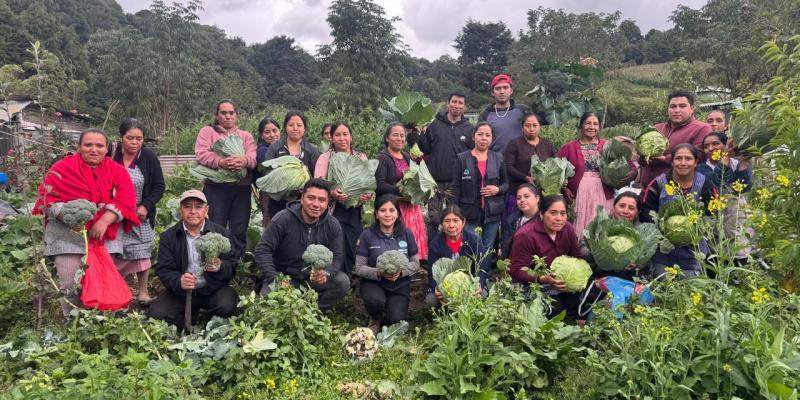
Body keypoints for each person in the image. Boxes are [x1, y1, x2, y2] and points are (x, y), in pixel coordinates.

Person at [34, 128, 139, 316]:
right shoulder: (61, 168)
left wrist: (105, 220)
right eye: (88, 145)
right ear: (79, 147)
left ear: (107, 149)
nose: (94, 149)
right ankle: (73, 325)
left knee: (103, 281)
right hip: (67, 235)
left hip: (104, 235)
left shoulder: (117, 170)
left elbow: (127, 200)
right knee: (70, 284)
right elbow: (46, 199)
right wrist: (68, 217)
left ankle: (101, 324)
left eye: (99, 145)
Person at [253, 179, 349, 310]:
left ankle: (313, 311)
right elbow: (262, 250)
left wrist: (326, 274)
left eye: (321, 200)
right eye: (311, 198)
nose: (316, 204)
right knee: (267, 306)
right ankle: (292, 306)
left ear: (327, 204)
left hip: (312, 280)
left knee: (342, 282)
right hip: (284, 278)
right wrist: (274, 278)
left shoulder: (332, 225)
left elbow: (337, 258)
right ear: (302, 199)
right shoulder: (283, 219)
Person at [149, 190, 238, 329]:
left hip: (212, 290)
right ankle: (190, 316)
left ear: (206, 210)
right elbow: (164, 269)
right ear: (181, 210)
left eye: (198, 207)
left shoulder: (221, 233)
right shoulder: (169, 236)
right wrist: (179, 281)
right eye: (187, 207)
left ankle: (203, 319)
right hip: (181, 293)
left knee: (226, 306)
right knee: (157, 315)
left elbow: (232, 266)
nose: (193, 211)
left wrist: (220, 266)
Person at [110, 118, 165, 306]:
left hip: (139, 215)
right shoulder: (110, 154)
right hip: (112, 214)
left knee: (142, 252)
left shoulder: (148, 157)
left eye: (139, 139)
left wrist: (146, 206)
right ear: (121, 137)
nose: (134, 143)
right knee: (114, 252)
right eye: (130, 138)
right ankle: (117, 291)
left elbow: (159, 186)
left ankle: (142, 291)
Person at [640, 144, 715, 277]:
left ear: (696, 162)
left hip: (694, 253)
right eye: (678, 158)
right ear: (672, 161)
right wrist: (663, 230)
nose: (683, 163)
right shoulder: (659, 183)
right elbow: (646, 210)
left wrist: (698, 227)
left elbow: (713, 213)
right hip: (662, 251)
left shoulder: (705, 185)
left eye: (688, 159)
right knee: (663, 284)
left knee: (690, 286)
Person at [194, 100, 256, 258]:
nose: (228, 116)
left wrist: (244, 161)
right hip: (215, 187)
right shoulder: (208, 132)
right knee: (215, 225)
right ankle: (213, 262)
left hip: (241, 188)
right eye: (223, 113)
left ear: (236, 115)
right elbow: (201, 154)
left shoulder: (245, 136)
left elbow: (253, 156)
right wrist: (221, 162)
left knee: (239, 228)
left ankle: (237, 263)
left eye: (231, 113)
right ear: (217, 115)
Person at [559, 112, 636, 236]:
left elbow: (630, 164)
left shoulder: (608, 146)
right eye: (588, 123)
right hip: (578, 194)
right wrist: (565, 188)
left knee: (601, 225)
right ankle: (578, 252)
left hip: (603, 192)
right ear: (581, 126)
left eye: (595, 124)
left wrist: (631, 174)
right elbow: (559, 171)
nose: (592, 127)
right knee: (577, 225)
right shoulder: (569, 148)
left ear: (599, 127)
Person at [508, 195, 583, 319]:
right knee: (555, 310)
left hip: (560, 283)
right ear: (542, 214)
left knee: (587, 292)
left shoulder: (567, 228)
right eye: (553, 213)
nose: (559, 218)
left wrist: (574, 276)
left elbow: (576, 256)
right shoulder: (526, 235)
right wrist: (543, 278)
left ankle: (569, 312)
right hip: (531, 285)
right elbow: (516, 270)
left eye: (563, 213)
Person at [354, 195, 420, 333]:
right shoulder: (367, 235)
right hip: (374, 283)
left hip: (400, 285)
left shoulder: (406, 234)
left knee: (396, 321)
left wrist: (401, 272)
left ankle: (390, 312)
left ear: (397, 214)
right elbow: (359, 268)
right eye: (383, 210)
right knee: (375, 302)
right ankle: (375, 316)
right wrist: (379, 272)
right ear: (376, 214)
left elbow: (415, 263)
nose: (387, 214)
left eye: (392, 210)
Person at [314, 121, 372, 276]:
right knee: (335, 243)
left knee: (352, 243)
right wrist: (332, 191)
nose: (342, 138)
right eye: (337, 135)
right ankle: (333, 276)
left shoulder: (361, 157)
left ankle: (347, 277)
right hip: (334, 209)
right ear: (331, 138)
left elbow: (368, 182)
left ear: (351, 136)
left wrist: (367, 194)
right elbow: (318, 182)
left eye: (345, 134)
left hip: (355, 209)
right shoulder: (325, 158)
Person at [451, 122, 509, 274]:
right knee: (471, 246)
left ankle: (483, 279)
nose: (484, 138)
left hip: (492, 213)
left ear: (492, 138)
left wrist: (498, 189)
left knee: (488, 247)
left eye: (488, 135)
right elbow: (456, 187)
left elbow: (506, 183)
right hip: (469, 212)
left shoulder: (498, 158)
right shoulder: (462, 158)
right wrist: (454, 212)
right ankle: (469, 276)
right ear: (473, 136)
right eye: (480, 134)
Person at [417, 92, 474, 239]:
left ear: (465, 107)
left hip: (457, 183)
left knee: (453, 219)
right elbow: (426, 149)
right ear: (448, 104)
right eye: (454, 102)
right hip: (435, 181)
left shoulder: (469, 129)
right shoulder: (435, 125)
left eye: (460, 103)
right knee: (434, 219)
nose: (457, 105)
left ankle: (454, 252)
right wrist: (417, 135)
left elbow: (472, 155)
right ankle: (433, 252)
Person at [375, 123, 428, 260]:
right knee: (398, 248)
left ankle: (414, 273)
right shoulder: (382, 158)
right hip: (395, 209)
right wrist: (399, 189)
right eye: (395, 135)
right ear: (387, 138)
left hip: (411, 208)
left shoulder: (407, 157)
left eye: (402, 135)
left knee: (412, 248)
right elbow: (379, 185)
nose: (399, 138)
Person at [697, 131, 753, 260]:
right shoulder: (702, 168)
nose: (710, 149)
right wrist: (726, 157)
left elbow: (744, 187)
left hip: (737, 216)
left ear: (725, 145)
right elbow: (717, 182)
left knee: (739, 253)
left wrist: (743, 162)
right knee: (717, 255)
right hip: (715, 220)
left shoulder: (736, 163)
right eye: (706, 146)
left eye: (715, 144)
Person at [640, 90, 713, 187]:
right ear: (668, 109)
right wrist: (641, 157)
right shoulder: (656, 128)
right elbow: (640, 153)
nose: (677, 110)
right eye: (673, 106)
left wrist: (665, 159)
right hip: (647, 190)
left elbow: (699, 155)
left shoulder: (702, 128)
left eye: (682, 106)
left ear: (692, 109)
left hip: (677, 191)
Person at [503, 112, 555, 229]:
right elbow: (508, 166)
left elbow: (554, 166)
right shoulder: (514, 144)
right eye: (528, 125)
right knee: (514, 226)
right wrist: (526, 178)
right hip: (517, 193)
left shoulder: (548, 145)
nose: (531, 129)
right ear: (522, 128)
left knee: (540, 227)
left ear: (539, 126)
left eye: (535, 125)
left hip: (541, 194)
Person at [263, 111, 320, 219]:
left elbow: (316, 177)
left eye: (299, 125)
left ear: (304, 128)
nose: (295, 128)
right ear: (285, 127)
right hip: (277, 200)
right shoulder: (275, 147)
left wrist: (304, 187)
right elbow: (267, 172)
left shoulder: (311, 150)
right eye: (291, 125)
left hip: (303, 203)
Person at [478, 73, 527, 152]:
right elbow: (479, 140)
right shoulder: (486, 114)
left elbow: (544, 120)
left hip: (519, 161)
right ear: (492, 93)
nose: (502, 92)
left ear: (511, 90)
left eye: (505, 87)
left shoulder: (522, 110)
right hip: (495, 161)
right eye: (498, 88)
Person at [501, 184, 540, 258]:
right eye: (518, 198)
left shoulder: (544, 220)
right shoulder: (512, 220)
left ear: (537, 198)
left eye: (526, 196)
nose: (522, 200)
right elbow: (506, 245)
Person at [255, 117, 281, 226]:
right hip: (269, 193)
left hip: (284, 192)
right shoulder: (262, 151)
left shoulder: (284, 147)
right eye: (267, 132)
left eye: (275, 130)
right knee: (272, 224)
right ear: (262, 135)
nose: (272, 134)